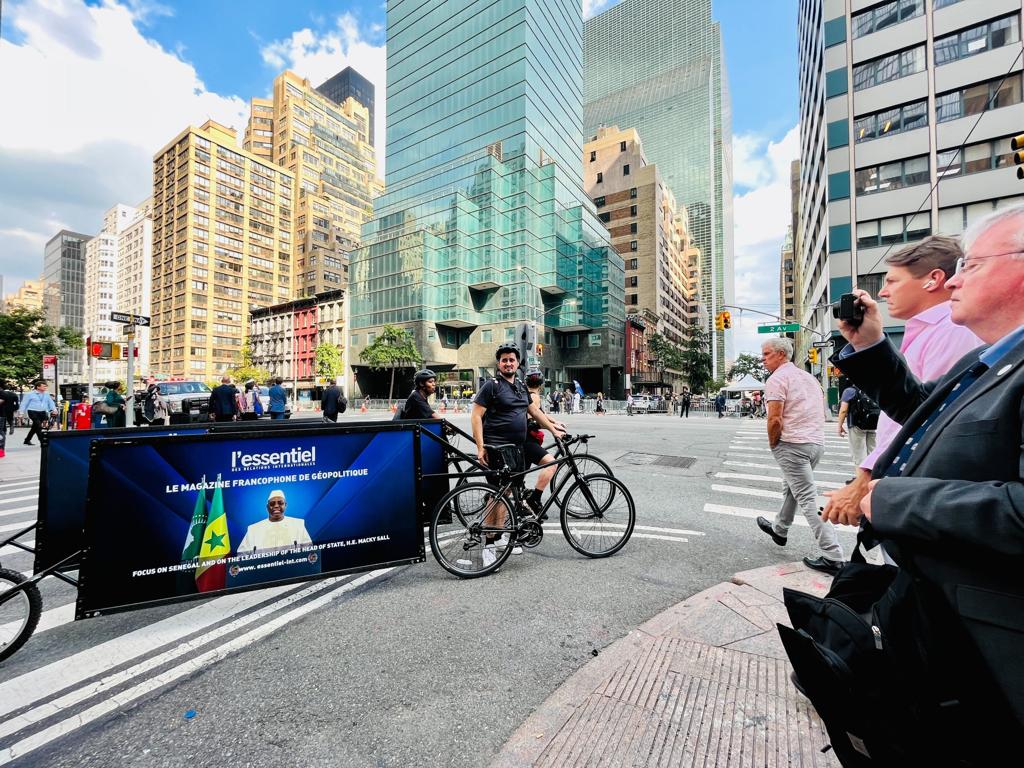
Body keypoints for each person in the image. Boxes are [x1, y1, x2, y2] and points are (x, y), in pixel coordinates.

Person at [827, 204, 1024, 741]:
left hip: (991, 644)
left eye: (975, 265)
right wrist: (869, 344)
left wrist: (891, 500)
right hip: (938, 614)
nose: (957, 279)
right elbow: (916, 409)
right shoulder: (989, 359)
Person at [822, 236, 982, 532]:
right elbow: (911, 406)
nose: (882, 292)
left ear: (933, 279)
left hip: (916, 493)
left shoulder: (952, 330)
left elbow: (929, 420)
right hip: (903, 485)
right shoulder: (927, 330)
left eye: (893, 281)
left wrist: (865, 481)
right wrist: (868, 342)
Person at [754, 337, 843, 575]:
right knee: (792, 488)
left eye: (766, 354)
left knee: (807, 497)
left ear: (782, 354)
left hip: (793, 444)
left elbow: (774, 419)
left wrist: (774, 444)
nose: (762, 359)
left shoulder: (777, 379)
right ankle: (780, 529)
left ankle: (833, 555)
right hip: (815, 444)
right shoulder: (809, 379)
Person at [472, 344, 566, 566]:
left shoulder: (522, 387)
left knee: (510, 495)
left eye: (511, 360)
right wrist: (480, 447)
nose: (508, 363)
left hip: (518, 449)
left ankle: (502, 535)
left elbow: (534, 412)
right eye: (504, 360)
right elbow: (476, 416)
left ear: (517, 364)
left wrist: (553, 430)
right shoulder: (491, 386)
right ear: (499, 364)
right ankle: (489, 544)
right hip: (496, 448)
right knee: (497, 497)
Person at [523, 368, 565, 519]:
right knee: (551, 464)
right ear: (541, 384)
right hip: (527, 440)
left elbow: (541, 414)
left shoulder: (529, 395)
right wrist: (553, 429)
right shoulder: (534, 396)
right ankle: (534, 499)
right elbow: (532, 419)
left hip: (524, 439)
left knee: (518, 478)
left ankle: (520, 503)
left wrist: (554, 422)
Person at [237, 489, 313, 553]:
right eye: (272, 504)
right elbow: (242, 555)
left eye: (280, 503)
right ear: (267, 507)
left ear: (285, 505)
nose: (276, 506)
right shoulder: (253, 530)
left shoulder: (298, 525)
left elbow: (310, 551)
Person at [837, 385, 878, 469]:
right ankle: (872, 478)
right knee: (873, 454)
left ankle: (862, 480)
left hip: (857, 425)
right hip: (874, 424)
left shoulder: (850, 391)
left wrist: (839, 426)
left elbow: (843, 410)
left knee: (859, 457)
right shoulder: (874, 388)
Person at [20, 380, 57, 445]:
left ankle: (27, 440)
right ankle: (42, 441)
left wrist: (54, 410)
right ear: (38, 387)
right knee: (38, 426)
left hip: (43, 412)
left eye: (46, 386)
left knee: (35, 427)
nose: (45, 388)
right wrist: (21, 413)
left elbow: (50, 403)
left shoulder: (46, 394)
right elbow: (24, 403)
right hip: (32, 411)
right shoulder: (30, 394)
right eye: (44, 386)